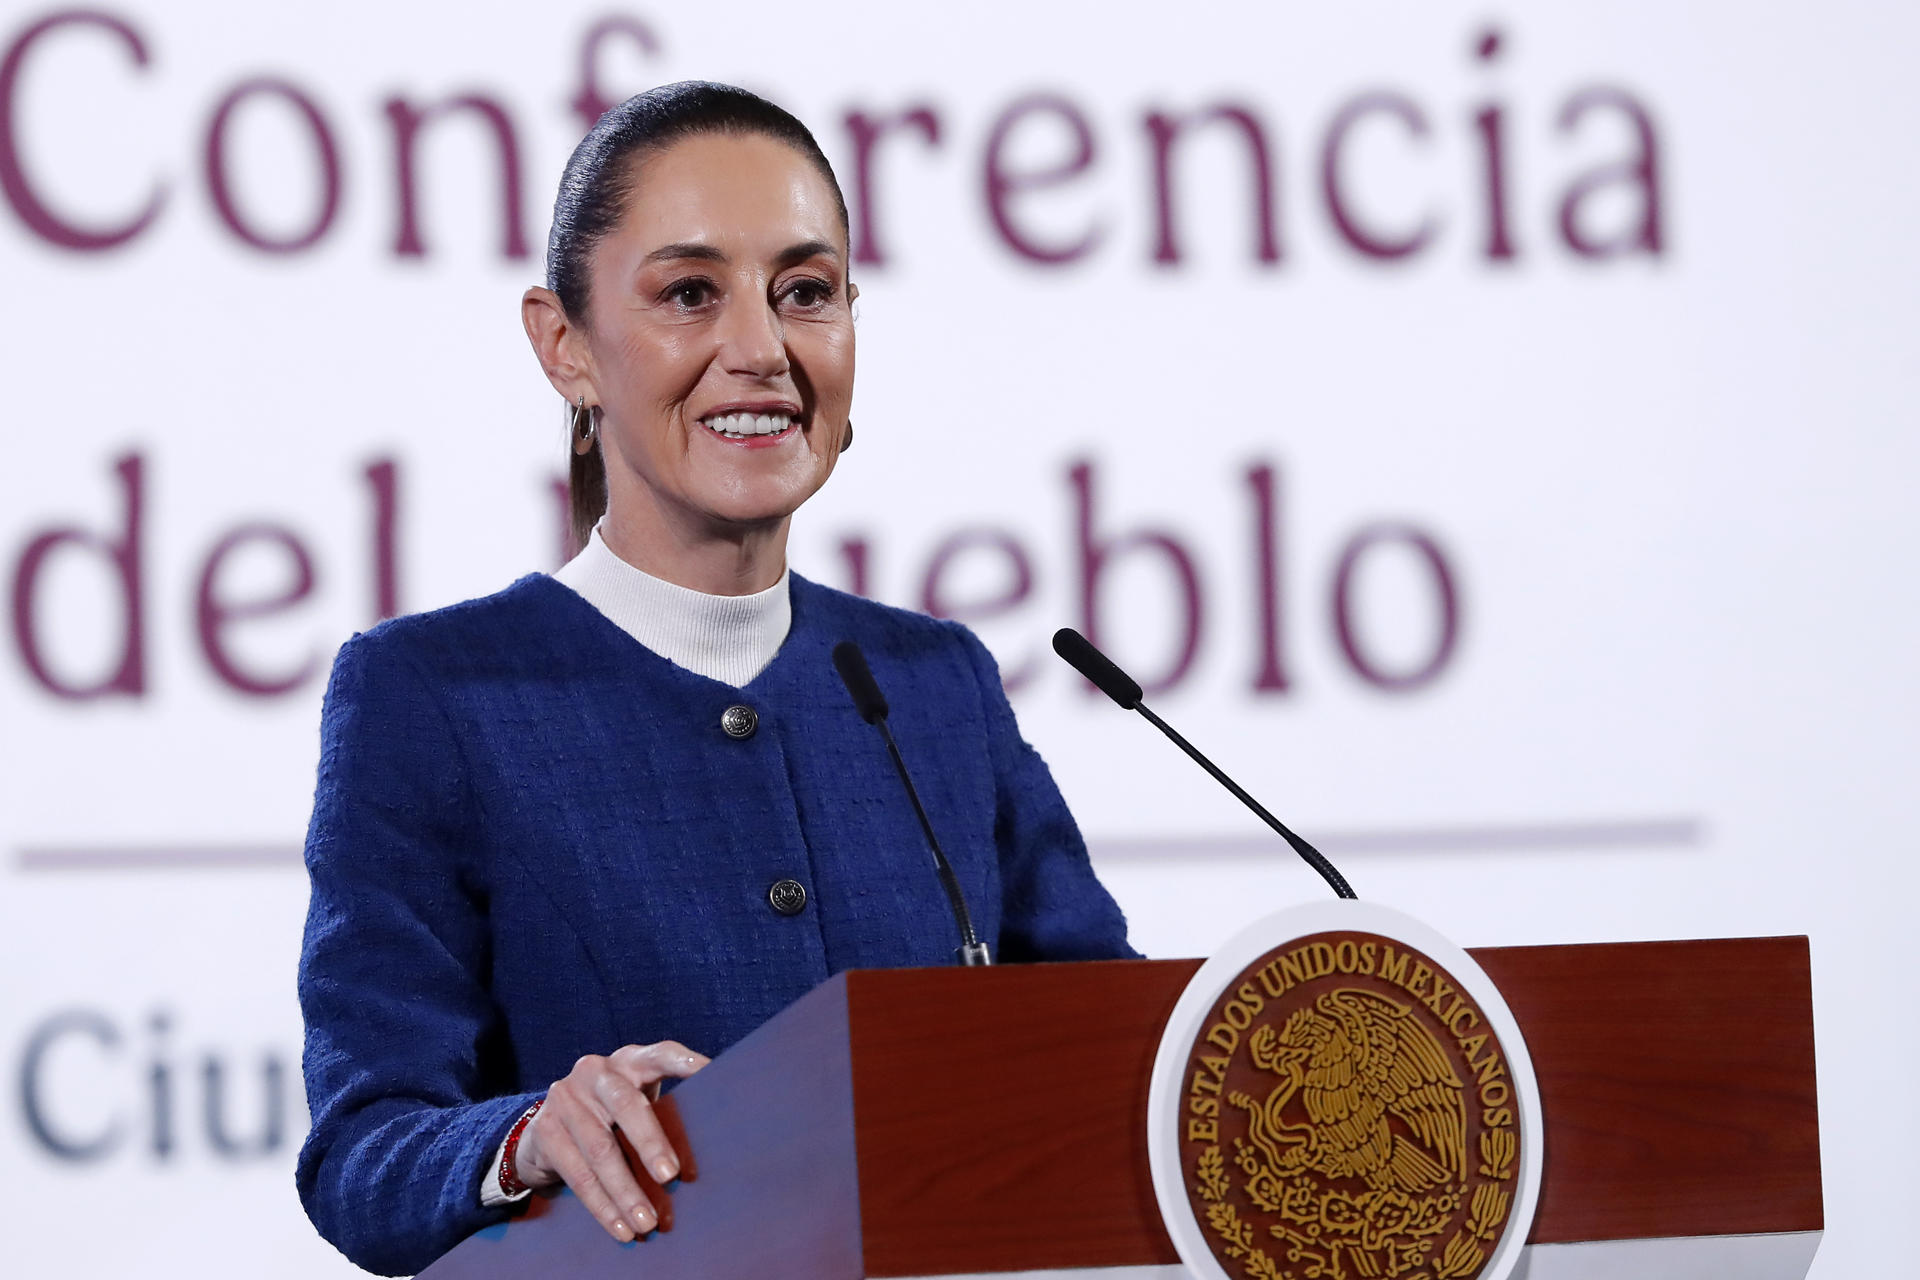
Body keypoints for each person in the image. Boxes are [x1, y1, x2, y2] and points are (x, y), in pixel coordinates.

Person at [294, 81, 1134, 1277]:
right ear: (564, 344)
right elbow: (364, 1156)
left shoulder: (931, 683)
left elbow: (1112, 1060)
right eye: (691, 293)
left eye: (807, 292)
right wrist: (528, 1133)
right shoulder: (432, 694)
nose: (761, 350)